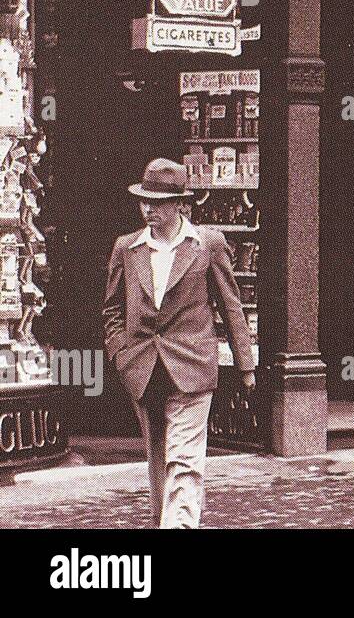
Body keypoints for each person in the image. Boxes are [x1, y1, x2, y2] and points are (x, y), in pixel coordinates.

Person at [102, 159, 255, 528]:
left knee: (184, 461)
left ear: (179, 204)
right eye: (144, 200)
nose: (148, 208)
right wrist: (121, 354)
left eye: (157, 201)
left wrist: (246, 365)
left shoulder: (208, 245)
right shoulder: (127, 248)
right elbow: (111, 310)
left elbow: (230, 306)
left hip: (192, 368)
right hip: (142, 368)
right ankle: (162, 522)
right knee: (158, 459)